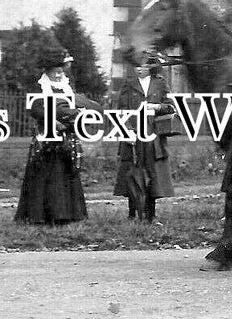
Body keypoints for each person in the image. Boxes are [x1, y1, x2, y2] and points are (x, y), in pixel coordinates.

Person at [14, 49, 101, 225]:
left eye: (61, 71)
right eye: (55, 71)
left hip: (66, 137)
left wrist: (72, 120)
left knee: (66, 173)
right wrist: (53, 123)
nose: (59, 74)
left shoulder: (67, 87)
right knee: (44, 174)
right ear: (48, 71)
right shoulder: (39, 87)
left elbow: (77, 105)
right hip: (46, 137)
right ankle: (40, 215)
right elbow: (35, 108)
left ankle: (66, 214)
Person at [114, 55, 176, 222]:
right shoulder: (128, 84)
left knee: (152, 174)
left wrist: (156, 106)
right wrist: (127, 131)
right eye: (136, 66)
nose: (138, 69)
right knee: (132, 173)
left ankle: (151, 213)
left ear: (150, 67)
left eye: (142, 66)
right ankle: (132, 213)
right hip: (133, 137)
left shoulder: (160, 83)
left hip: (153, 137)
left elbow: (171, 107)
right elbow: (121, 111)